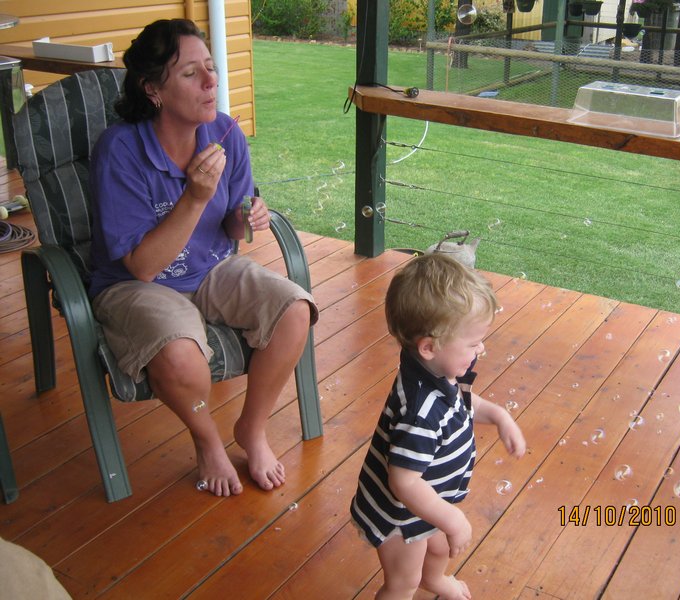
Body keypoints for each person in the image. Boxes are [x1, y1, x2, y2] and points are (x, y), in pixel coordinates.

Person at [88, 19, 318, 497]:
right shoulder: (121, 150)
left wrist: (245, 217)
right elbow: (142, 266)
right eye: (191, 74)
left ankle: (251, 429)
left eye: (211, 69)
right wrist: (193, 198)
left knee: (295, 310)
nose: (212, 82)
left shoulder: (225, 133)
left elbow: (230, 224)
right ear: (153, 89)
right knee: (181, 357)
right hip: (138, 286)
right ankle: (207, 440)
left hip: (212, 266)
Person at [350, 253, 527, 600]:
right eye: (473, 343)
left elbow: (463, 404)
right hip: (400, 514)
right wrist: (451, 517)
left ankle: (436, 579)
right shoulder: (419, 413)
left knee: (441, 548)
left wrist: (499, 415)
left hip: (428, 501)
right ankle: (420, 583)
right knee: (403, 582)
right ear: (429, 347)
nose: (482, 348)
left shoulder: (436, 372)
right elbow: (403, 482)